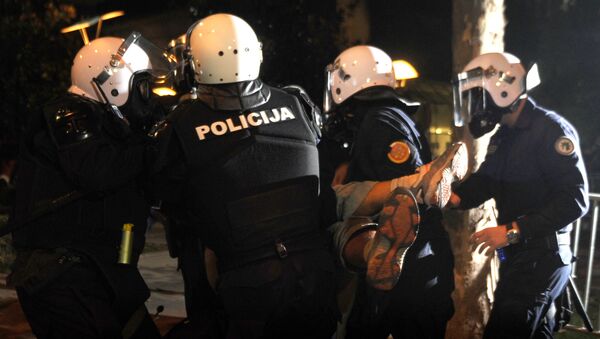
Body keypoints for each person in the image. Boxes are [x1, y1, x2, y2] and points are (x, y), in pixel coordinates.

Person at [151, 13, 338, 338]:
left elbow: (165, 194)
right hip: (316, 275)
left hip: (243, 287)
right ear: (257, 53)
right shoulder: (297, 102)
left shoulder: (180, 125)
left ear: (196, 62)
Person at [7, 33, 170, 338]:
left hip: (104, 270)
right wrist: (154, 146)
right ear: (114, 84)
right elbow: (99, 172)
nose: (147, 96)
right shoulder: (68, 113)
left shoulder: (113, 123)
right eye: (142, 85)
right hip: (61, 276)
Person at [322, 45, 466, 338]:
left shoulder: (380, 122)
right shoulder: (388, 116)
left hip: (408, 269)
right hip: (411, 265)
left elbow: (403, 197)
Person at [449, 52, 589, 338]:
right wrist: (449, 198)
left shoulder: (550, 130)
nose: (475, 107)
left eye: (478, 96)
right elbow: (487, 181)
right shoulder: (506, 135)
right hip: (522, 258)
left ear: (502, 89)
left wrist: (512, 231)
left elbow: (575, 200)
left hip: (542, 258)